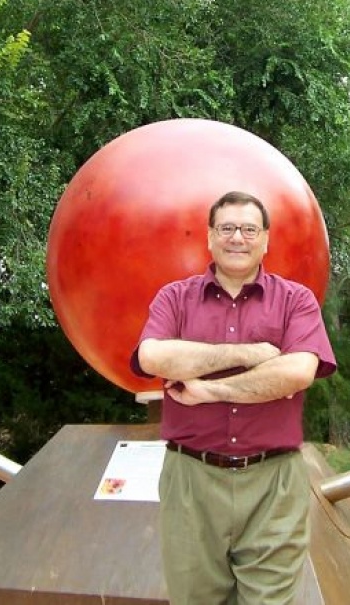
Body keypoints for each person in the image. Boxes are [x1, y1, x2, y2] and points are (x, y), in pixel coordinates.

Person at [131, 189, 338, 604]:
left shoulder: (295, 300)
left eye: (248, 229)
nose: (237, 238)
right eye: (226, 228)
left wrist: (209, 388)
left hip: (274, 483)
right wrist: (248, 354)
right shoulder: (175, 297)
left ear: (266, 239)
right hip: (191, 480)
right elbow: (153, 356)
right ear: (209, 237)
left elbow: (298, 371)